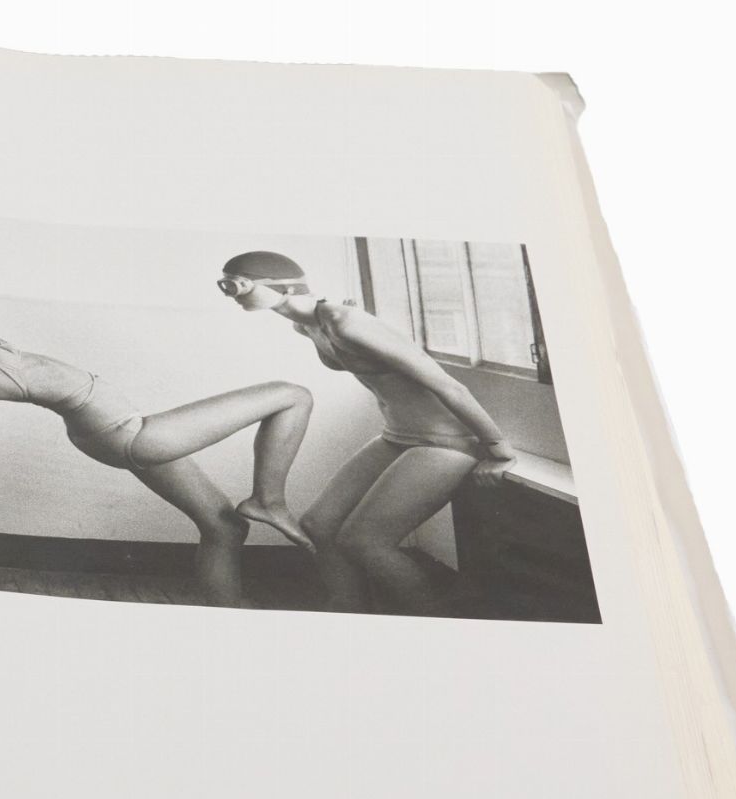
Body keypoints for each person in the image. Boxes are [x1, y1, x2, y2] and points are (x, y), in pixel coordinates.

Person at [0, 275, 314, 608]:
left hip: (124, 429)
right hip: (127, 435)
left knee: (223, 526)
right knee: (292, 395)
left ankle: (227, 621)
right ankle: (269, 500)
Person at [217, 250, 518, 611]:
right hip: (398, 435)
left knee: (366, 541)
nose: (230, 293)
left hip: (446, 442)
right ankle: (348, 609)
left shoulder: (345, 321)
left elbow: (448, 385)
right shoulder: (307, 325)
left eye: (237, 284)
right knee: (318, 525)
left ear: (280, 286)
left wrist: (498, 448)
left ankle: (437, 623)